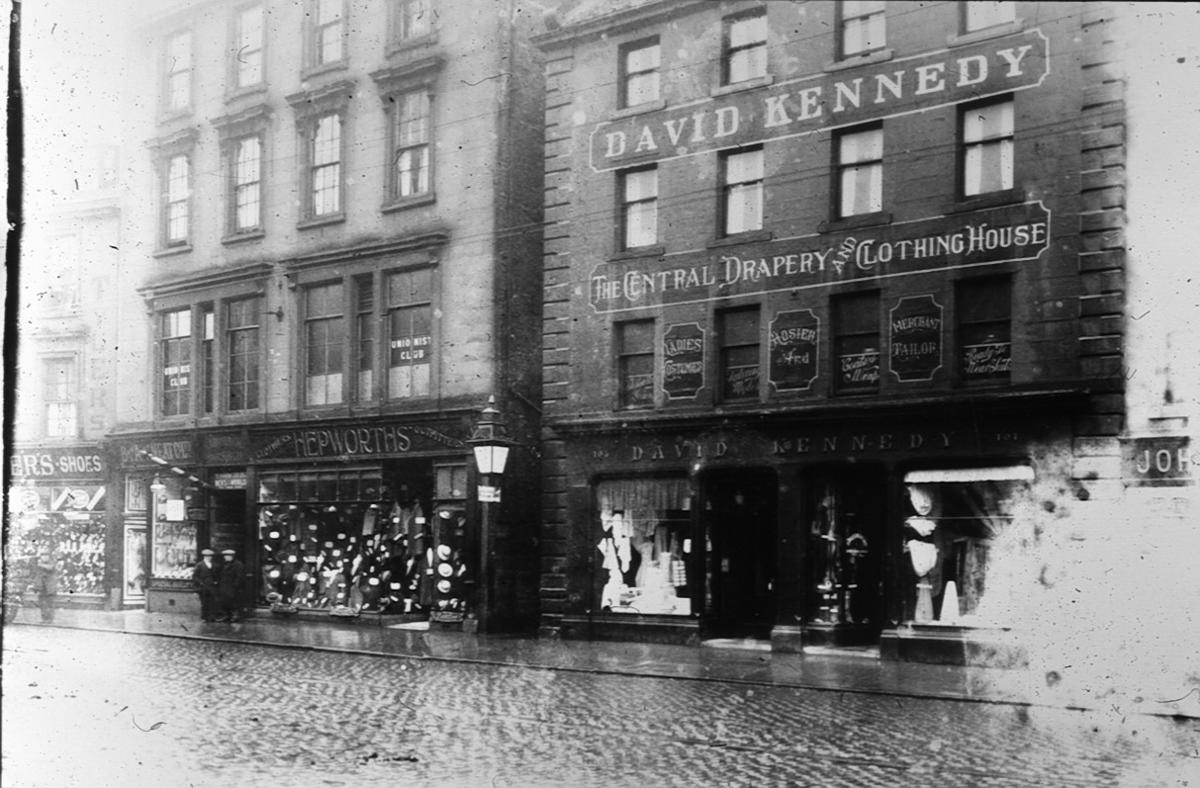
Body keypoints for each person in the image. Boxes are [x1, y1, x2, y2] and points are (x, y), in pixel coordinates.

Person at [217, 549, 245, 622]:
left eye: (227, 556)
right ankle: (226, 615)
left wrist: (235, 585)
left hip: (232, 587)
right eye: (225, 556)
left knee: (234, 602)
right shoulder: (224, 564)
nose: (225, 557)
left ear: (231, 556)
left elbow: (239, 576)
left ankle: (235, 616)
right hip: (224, 586)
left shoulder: (238, 564)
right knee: (224, 602)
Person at [31, 550, 60, 623]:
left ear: (49, 557)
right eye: (43, 556)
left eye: (46, 556)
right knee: (42, 604)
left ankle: (50, 619)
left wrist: (39, 564)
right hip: (42, 588)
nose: (45, 557)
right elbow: (36, 575)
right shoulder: (39, 565)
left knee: (50, 604)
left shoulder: (52, 562)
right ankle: (44, 619)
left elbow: (50, 568)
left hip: (50, 588)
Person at [192, 549, 219, 622]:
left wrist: (216, 581)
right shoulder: (199, 565)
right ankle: (204, 617)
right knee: (204, 602)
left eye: (210, 556)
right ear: (204, 557)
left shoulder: (214, 565)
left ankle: (212, 617)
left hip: (212, 586)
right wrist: (200, 582)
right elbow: (195, 576)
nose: (209, 558)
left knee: (212, 601)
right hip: (203, 586)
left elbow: (216, 574)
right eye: (207, 556)